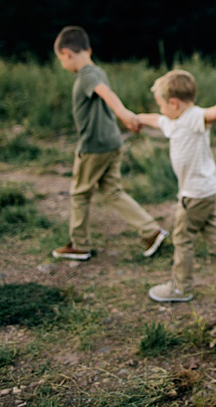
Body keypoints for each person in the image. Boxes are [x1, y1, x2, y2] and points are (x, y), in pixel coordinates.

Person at [132, 68, 216, 305]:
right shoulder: (174, 121)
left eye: (162, 105)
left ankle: (181, 286)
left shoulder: (193, 117)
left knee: (182, 237)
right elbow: (156, 120)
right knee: (214, 233)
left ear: (174, 103)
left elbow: (213, 113)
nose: (161, 111)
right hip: (207, 191)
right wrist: (137, 118)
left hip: (196, 194)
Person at [50, 25, 167, 262]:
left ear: (66, 53)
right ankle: (151, 230)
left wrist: (125, 114)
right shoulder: (98, 71)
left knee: (80, 193)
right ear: (89, 49)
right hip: (112, 143)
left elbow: (105, 93)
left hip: (94, 146)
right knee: (112, 191)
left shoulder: (87, 75)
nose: (64, 66)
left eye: (61, 60)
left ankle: (80, 244)